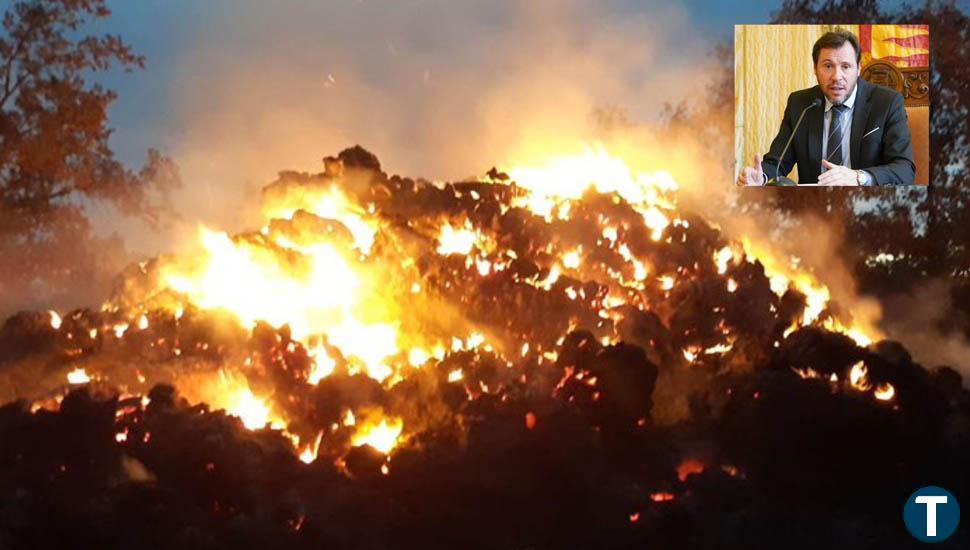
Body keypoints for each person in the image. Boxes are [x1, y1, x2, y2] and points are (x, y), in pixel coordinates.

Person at [738, 30, 915, 186]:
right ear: (815, 68)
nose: (837, 76)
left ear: (858, 68)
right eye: (828, 66)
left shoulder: (887, 102)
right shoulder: (800, 103)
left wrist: (858, 177)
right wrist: (760, 177)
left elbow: (904, 169)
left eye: (846, 66)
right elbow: (778, 162)